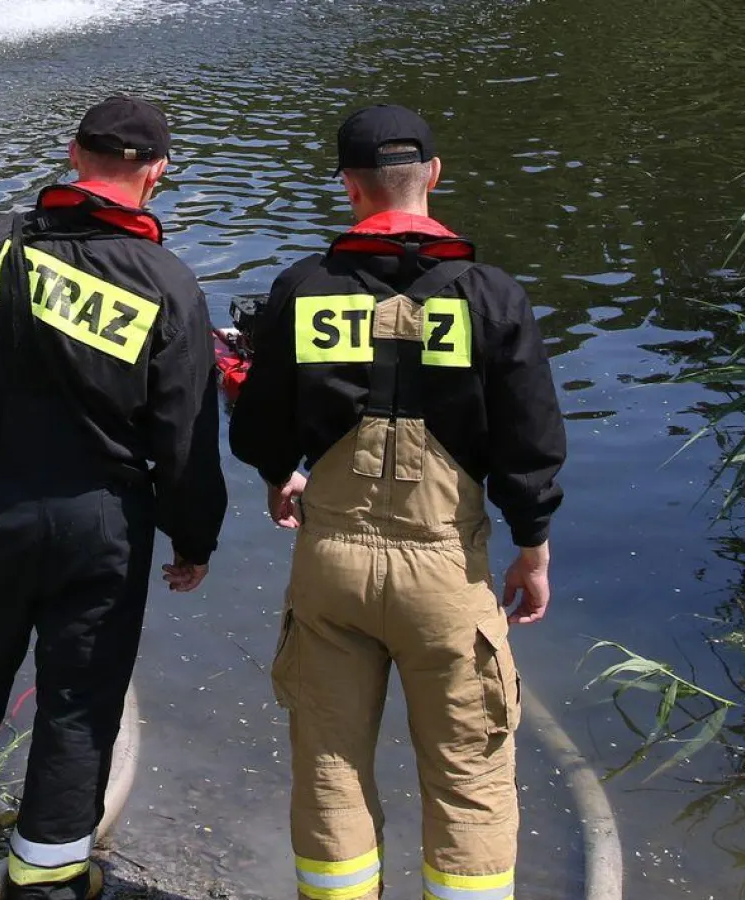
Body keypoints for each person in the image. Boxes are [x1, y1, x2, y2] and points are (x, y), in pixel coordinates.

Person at [0, 96, 228, 900]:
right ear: (157, 173)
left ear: (74, 155)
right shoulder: (168, 282)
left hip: (0, 495)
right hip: (105, 518)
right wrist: (193, 539)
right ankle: (50, 872)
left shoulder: (3, 245)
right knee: (81, 696)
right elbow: (184, 435)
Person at [229, 104, 566, 900]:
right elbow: (530, 442)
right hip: (446, 572)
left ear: (349, 187)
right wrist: (534, 546)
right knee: (470, 775)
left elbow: (258, 425)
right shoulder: (493, 296)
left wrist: (282, 474)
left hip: (331, 565)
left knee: (329, 768)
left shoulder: (303, 289)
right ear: (435, 177)